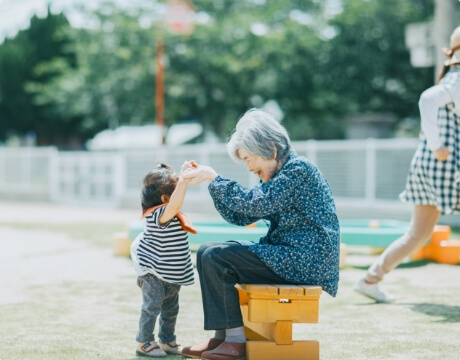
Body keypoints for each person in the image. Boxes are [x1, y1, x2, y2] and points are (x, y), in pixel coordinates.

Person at [180, 109, 340, 360]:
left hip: (307, 260)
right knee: (206, 251)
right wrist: (212, 183)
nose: (248, 166)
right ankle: (222, 336)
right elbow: (241, 216)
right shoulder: (281, 174)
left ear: (271, 149)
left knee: (217, 257)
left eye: (248, 158)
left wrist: (215, 179)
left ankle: (234, 342)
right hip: (291, 255)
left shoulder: (298, 170)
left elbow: (254, 204)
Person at [354, 26, 460, 303]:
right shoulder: (458, 79)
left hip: (429, 166)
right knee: (418, 233)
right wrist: (438, 145)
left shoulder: (452, 76)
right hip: (445, 167)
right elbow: (427, 98)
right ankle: (370, 278)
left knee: (418, 234)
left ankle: (370, 279)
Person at [130, 163, 196, 357]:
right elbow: (175, 204)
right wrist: (182, 180)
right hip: (155, 274)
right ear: (165, 199)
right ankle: (144, 342)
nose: (181, 195)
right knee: (152, 308)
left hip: (171, 275)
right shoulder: (159, 214)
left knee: (170, 310)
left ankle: (167, 340)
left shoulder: (171, 213)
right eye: (178, 191)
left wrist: (182, 179)